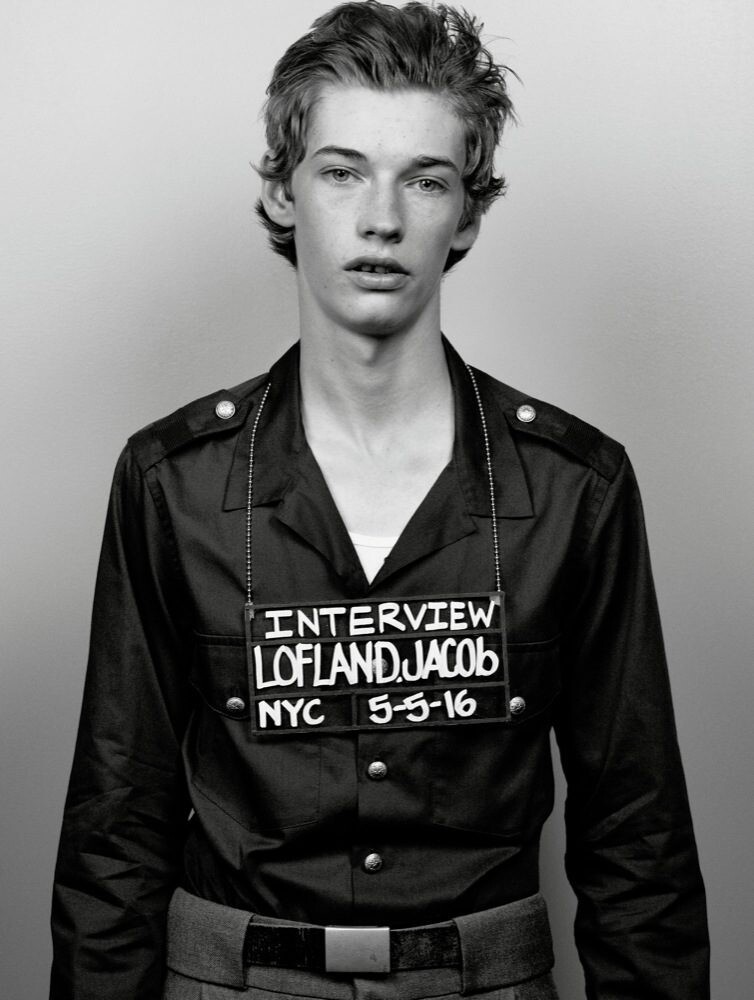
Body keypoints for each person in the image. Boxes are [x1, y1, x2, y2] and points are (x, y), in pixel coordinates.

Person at [50, 3, 710, 998]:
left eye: (426, 179)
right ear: (282, 192)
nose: (382, 219)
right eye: (343, 172)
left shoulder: (576, 487)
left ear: (469, 213)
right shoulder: (171, 480)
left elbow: (637, 840)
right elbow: (116, 829)